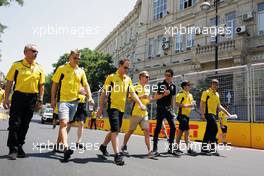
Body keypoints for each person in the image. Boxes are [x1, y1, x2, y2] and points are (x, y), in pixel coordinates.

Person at [96, 59, 146, 166]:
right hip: (112, 107)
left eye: (128, 68)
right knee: (115, 131)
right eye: (125, 67)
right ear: (119, 66)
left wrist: (140, 103)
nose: (126, 70)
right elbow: (104, 94)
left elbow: (132, 93)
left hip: (121, 109)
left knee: (115, 130)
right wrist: (100, 108)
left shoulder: (128, 79)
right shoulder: (111, 78)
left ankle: (103, 146)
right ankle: (117, 155)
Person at [51, 49, 94, 162]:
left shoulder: (81, 71)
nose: (77, 60)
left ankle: (58, 144)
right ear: (69, 57)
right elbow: (55, 84)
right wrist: (53, 99)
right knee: (64, 124)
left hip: (75, 102)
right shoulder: (61, 69)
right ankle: (66, 148)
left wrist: (89, 97)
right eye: (75, 58)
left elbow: (86, 85)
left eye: (79, 58)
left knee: (66, 125)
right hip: (63, 101)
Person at [3, 44, 45, 160]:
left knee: (25, 124)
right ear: (26, 52)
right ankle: (12, 148)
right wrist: (6, 98)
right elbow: (9, 83)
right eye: (33, 51)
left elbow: (41, 85)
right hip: (18, 96)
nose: (36, 53)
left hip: (32, 98)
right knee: (15, 123)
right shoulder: (16, 65)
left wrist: (40, 99)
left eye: (37, 52)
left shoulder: (40, 68)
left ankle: (20, 145)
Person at [121, 71, 155, 159]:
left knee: (147, 131)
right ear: (141, 77)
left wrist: (151, 98)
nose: (148, 79)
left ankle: (150, 151)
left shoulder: (148, 88)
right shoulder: (135, 87)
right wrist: (141, 97)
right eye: (146, 77)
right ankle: (124, 146)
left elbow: (147, 100)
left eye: (148, 77)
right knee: (130, 131)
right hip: (135, 113)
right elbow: (129, 99)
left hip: (144, 113)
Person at [200, 79, 231, 156]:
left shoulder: (217, 94)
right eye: (213, 83)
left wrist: (226, 112)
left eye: (216, 84)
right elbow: (202, 103)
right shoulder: (206, 92)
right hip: (208, 113)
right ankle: (213, 148)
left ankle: (204, 148)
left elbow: (219, 106)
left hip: (213, 114)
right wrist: (202, 114)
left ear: (218, 86)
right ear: (211, 84)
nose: (215, 85)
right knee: (215, 129)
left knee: (208, 131)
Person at [152, 69, 178, 156]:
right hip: (160, 107)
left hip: (168, 109)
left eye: (169, 75)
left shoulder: (173, 86)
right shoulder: (160, 84)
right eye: (166, 75)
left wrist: (173, 110)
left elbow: (173, 99)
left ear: (172, 76)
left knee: (173, 127)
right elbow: (155, 97)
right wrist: (163, 94)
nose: (167, 77)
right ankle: (155, 149)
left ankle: (171, 148)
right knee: (158, 127)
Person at [175, 80, 196, 155]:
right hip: (181, 115)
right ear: (184, 86)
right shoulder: (180, 94)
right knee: (187, 132)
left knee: (180, 132)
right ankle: (189, 149)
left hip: (187, 115)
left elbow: (191, 105)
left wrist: (192, 106)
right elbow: (177, 104)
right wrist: (188, 106)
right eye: (188, 85)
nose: (190, 86)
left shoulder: (190, 95)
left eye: (190, 85)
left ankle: (176, 147)